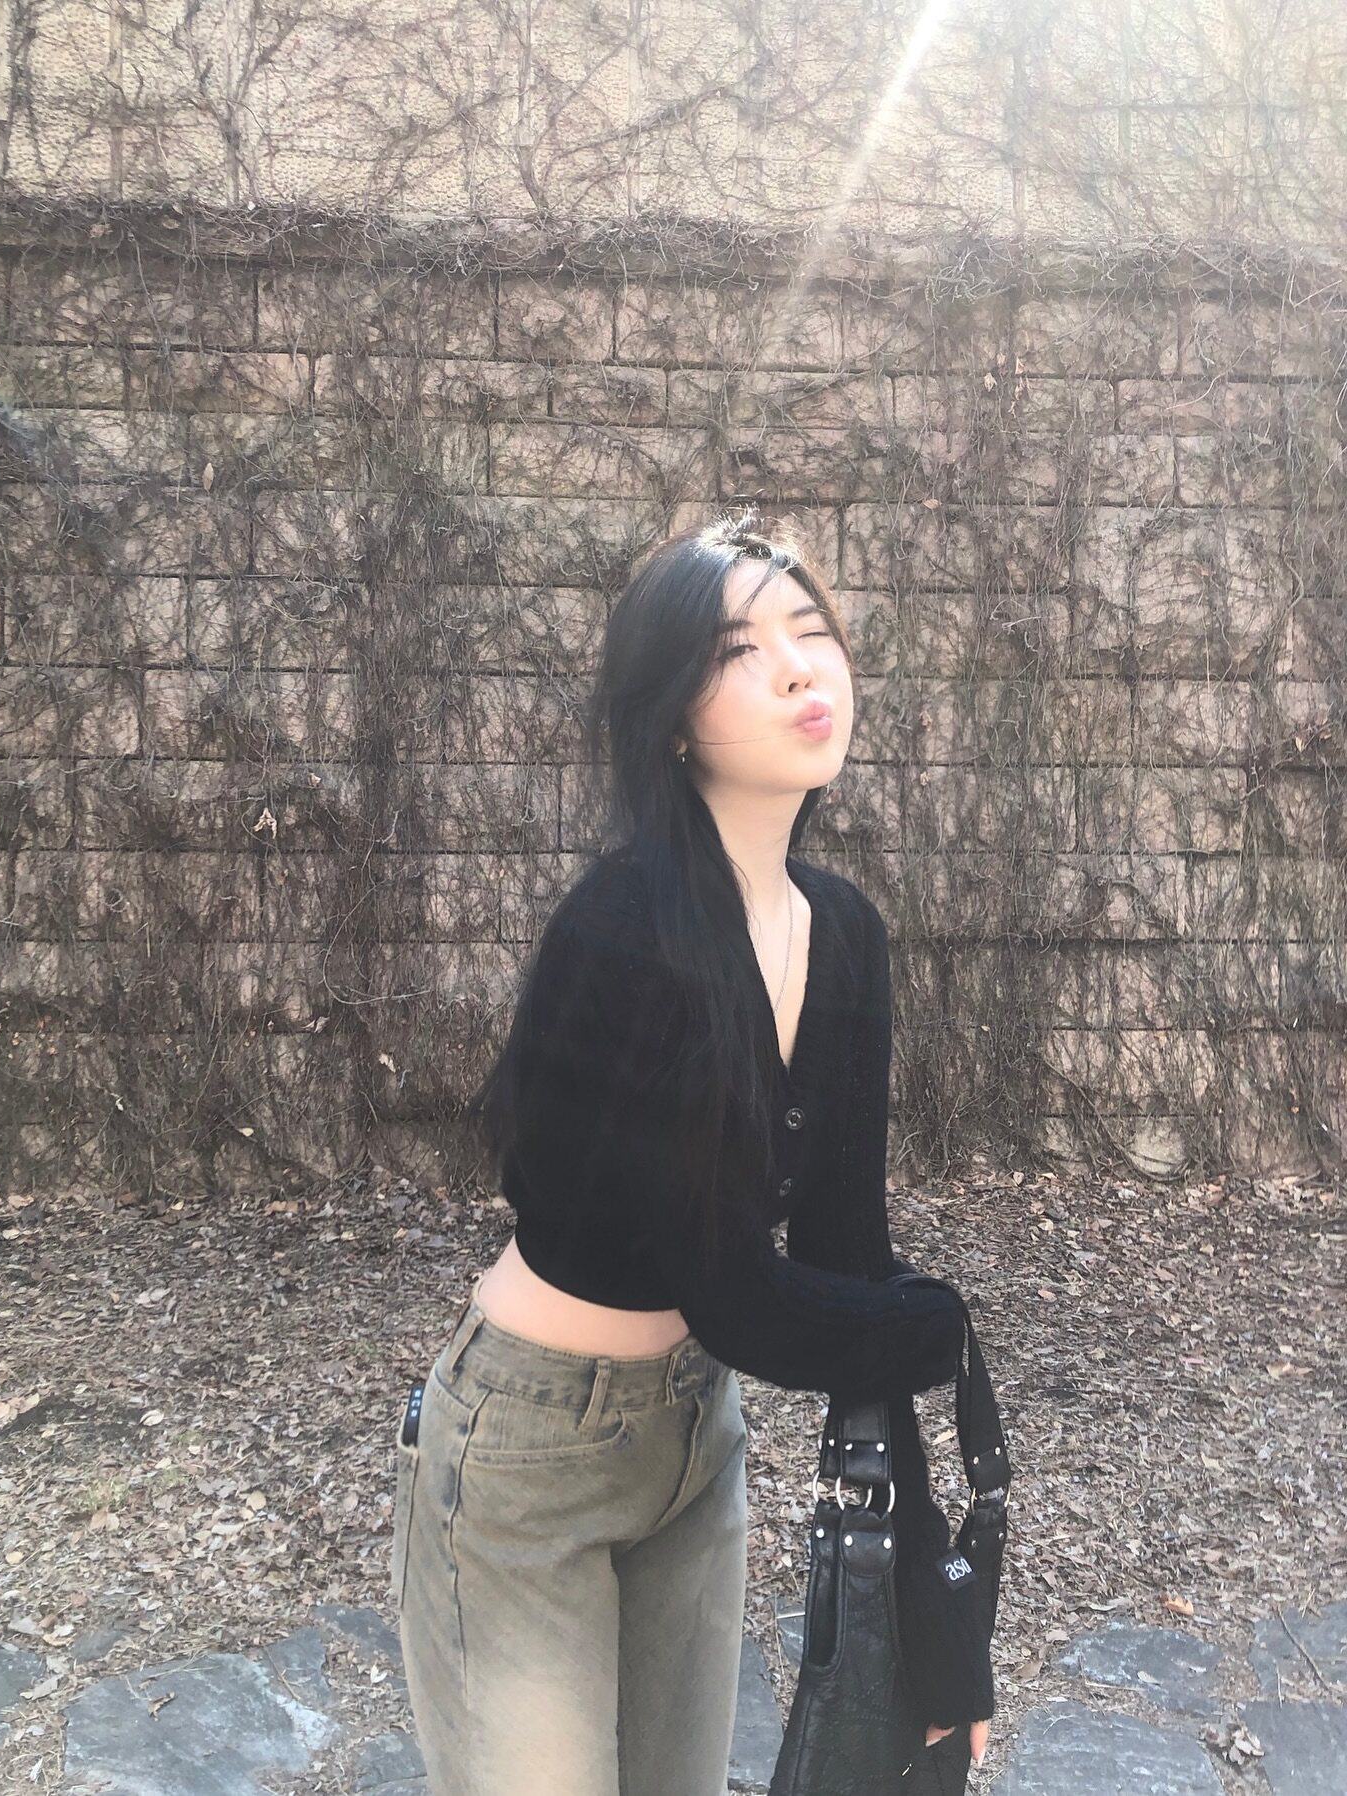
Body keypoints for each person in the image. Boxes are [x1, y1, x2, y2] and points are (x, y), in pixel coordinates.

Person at [389, 510, 995, 1796]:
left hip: (693, 1445)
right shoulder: (622, 930)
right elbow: (740, 1294)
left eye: (811, 629)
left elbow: (848, 1259)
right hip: (527, 1455)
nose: (798, 667)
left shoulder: (847, 933)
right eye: (738, 648)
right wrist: (938, 1328)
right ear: (672, 718)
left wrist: (938, 1626)